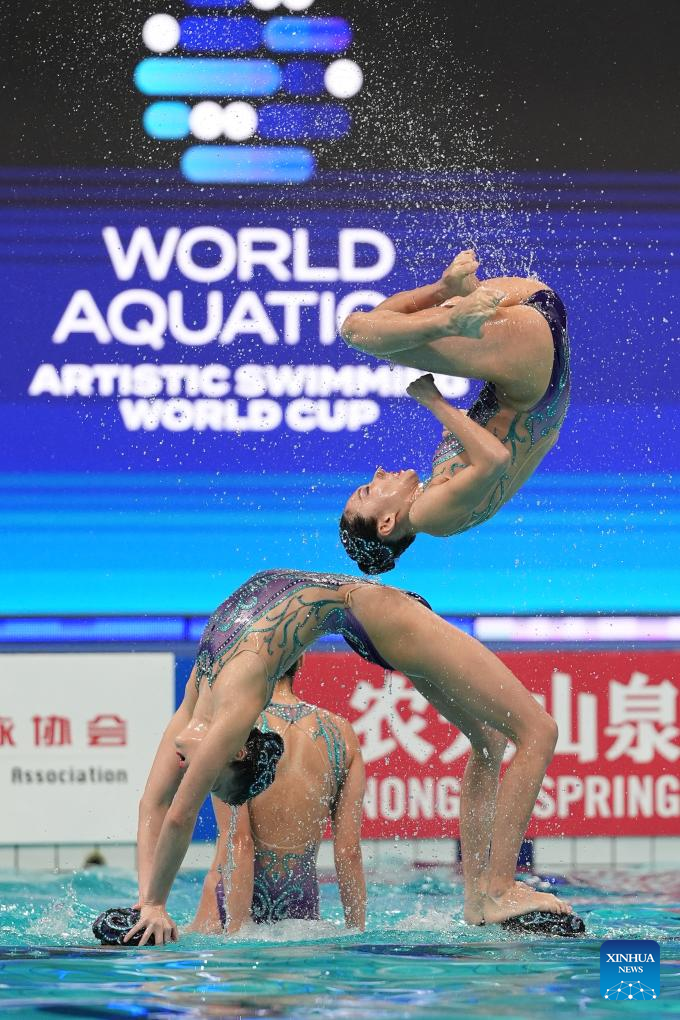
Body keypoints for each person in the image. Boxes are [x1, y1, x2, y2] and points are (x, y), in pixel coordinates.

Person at [127, 568, 582, 946]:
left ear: (237, 749)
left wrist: (157, 903)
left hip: (385, 613)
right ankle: (482, 898)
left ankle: (495, 890)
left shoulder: (230, 709)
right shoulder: (199, 700)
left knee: (527, 732)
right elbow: (153, 803)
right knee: (491, 741)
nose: (198, 778)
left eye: (211, 779)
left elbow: (178, 814)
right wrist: (147, 901)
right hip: (368, 621)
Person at [339, 249, 570, 574]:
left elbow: (539, 439)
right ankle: (450, 314)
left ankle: (446, 291)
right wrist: (434, 400)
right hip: (529, 370)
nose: (377, 474)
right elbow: (496, 459)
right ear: (387, 523)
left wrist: (468, 424)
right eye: (368, 490)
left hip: (538, 368)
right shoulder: (426, 516)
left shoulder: (442, 502)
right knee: (356, 331)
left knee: (383, 328)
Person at [189, 656, 366, 933]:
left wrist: (237, 934)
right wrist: (357, 932)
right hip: (302, 910)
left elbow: (240, 843)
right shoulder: (341, 733)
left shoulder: (236, 730)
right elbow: (349, 851)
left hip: (234, 907)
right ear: (301, 660)